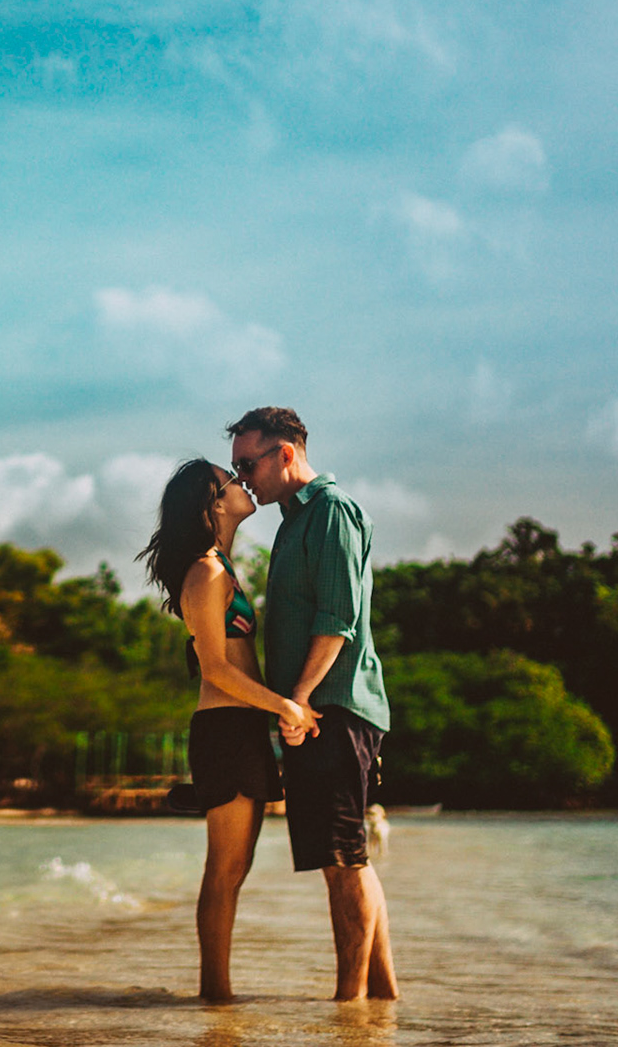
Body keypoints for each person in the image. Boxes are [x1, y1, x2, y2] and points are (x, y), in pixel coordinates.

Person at [227, 406, 398, 1003]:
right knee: (346, 854)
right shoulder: (293, 521)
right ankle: (380, 1000)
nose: (242, 477)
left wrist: (296, 701)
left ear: (286, 454)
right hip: (321, 709)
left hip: (332, 709)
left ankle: (347, 1009)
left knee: (341, 858)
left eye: (247, 464)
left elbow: (338, 618)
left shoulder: (330, 511)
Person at [137, 458, 323, 1003]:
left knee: (235, 869)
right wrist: (286, 707)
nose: (244, 484)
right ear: (213, 504)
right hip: (225, 727)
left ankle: (216, 994)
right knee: (223, 870)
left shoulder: (220, 564)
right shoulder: (206, 571)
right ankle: (214, 995)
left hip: (240, 726)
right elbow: (216, 668)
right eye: (232, 481)